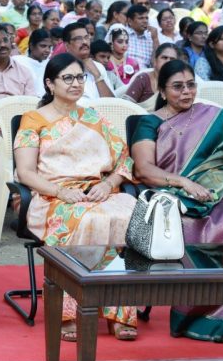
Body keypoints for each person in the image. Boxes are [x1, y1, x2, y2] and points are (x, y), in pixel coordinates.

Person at [130, 59, 223, 342]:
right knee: (189, 228)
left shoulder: (217, 118)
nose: (186, 92)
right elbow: (143, 169)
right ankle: (194, 313)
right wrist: (184, 183)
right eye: (177, 87)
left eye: (191, 85)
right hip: (173, 196)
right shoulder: (150, 122)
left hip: (217, 193)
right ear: (162, 90)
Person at [14, 52, 137, 342]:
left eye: (80, 77)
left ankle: (119, 312)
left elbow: (124, 159)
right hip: (53, 195)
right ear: (50, 83)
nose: (75, 83)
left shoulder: (93, 118)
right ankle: (68, 312)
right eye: (67, 78)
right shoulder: (33, 120)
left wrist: (108, 184)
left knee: (132, 215)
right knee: (85, 219)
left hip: (97, 190)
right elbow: (25, 172)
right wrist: (60, 191)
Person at [64, 22, 117, 98]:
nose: (85, 42)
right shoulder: (60, 68)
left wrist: (97, 75)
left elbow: (111, 102)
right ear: (67, 46)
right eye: (79, 39)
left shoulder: (98, 67)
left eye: (86, 37)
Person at [123, 43, 181, 111]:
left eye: (172, 59)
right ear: (155, 60)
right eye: (164, 58)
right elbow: (125, 107)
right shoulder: (143, 79)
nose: (168, 62)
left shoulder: (179, 84)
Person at [13, 28, 52, 96]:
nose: (47, 50)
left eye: (49, 47)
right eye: (43, 46)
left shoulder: (50, 64)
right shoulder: (18, 61)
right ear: (31, 46)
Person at [125, 4, 159, 69]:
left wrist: (155, 39)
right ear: (130, 21)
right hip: (124, 71)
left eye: (146, 18)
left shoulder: (151, 37)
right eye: (141, 18)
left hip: (145, 73)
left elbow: (155, 64)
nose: (145, 21)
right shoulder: (122, 33)